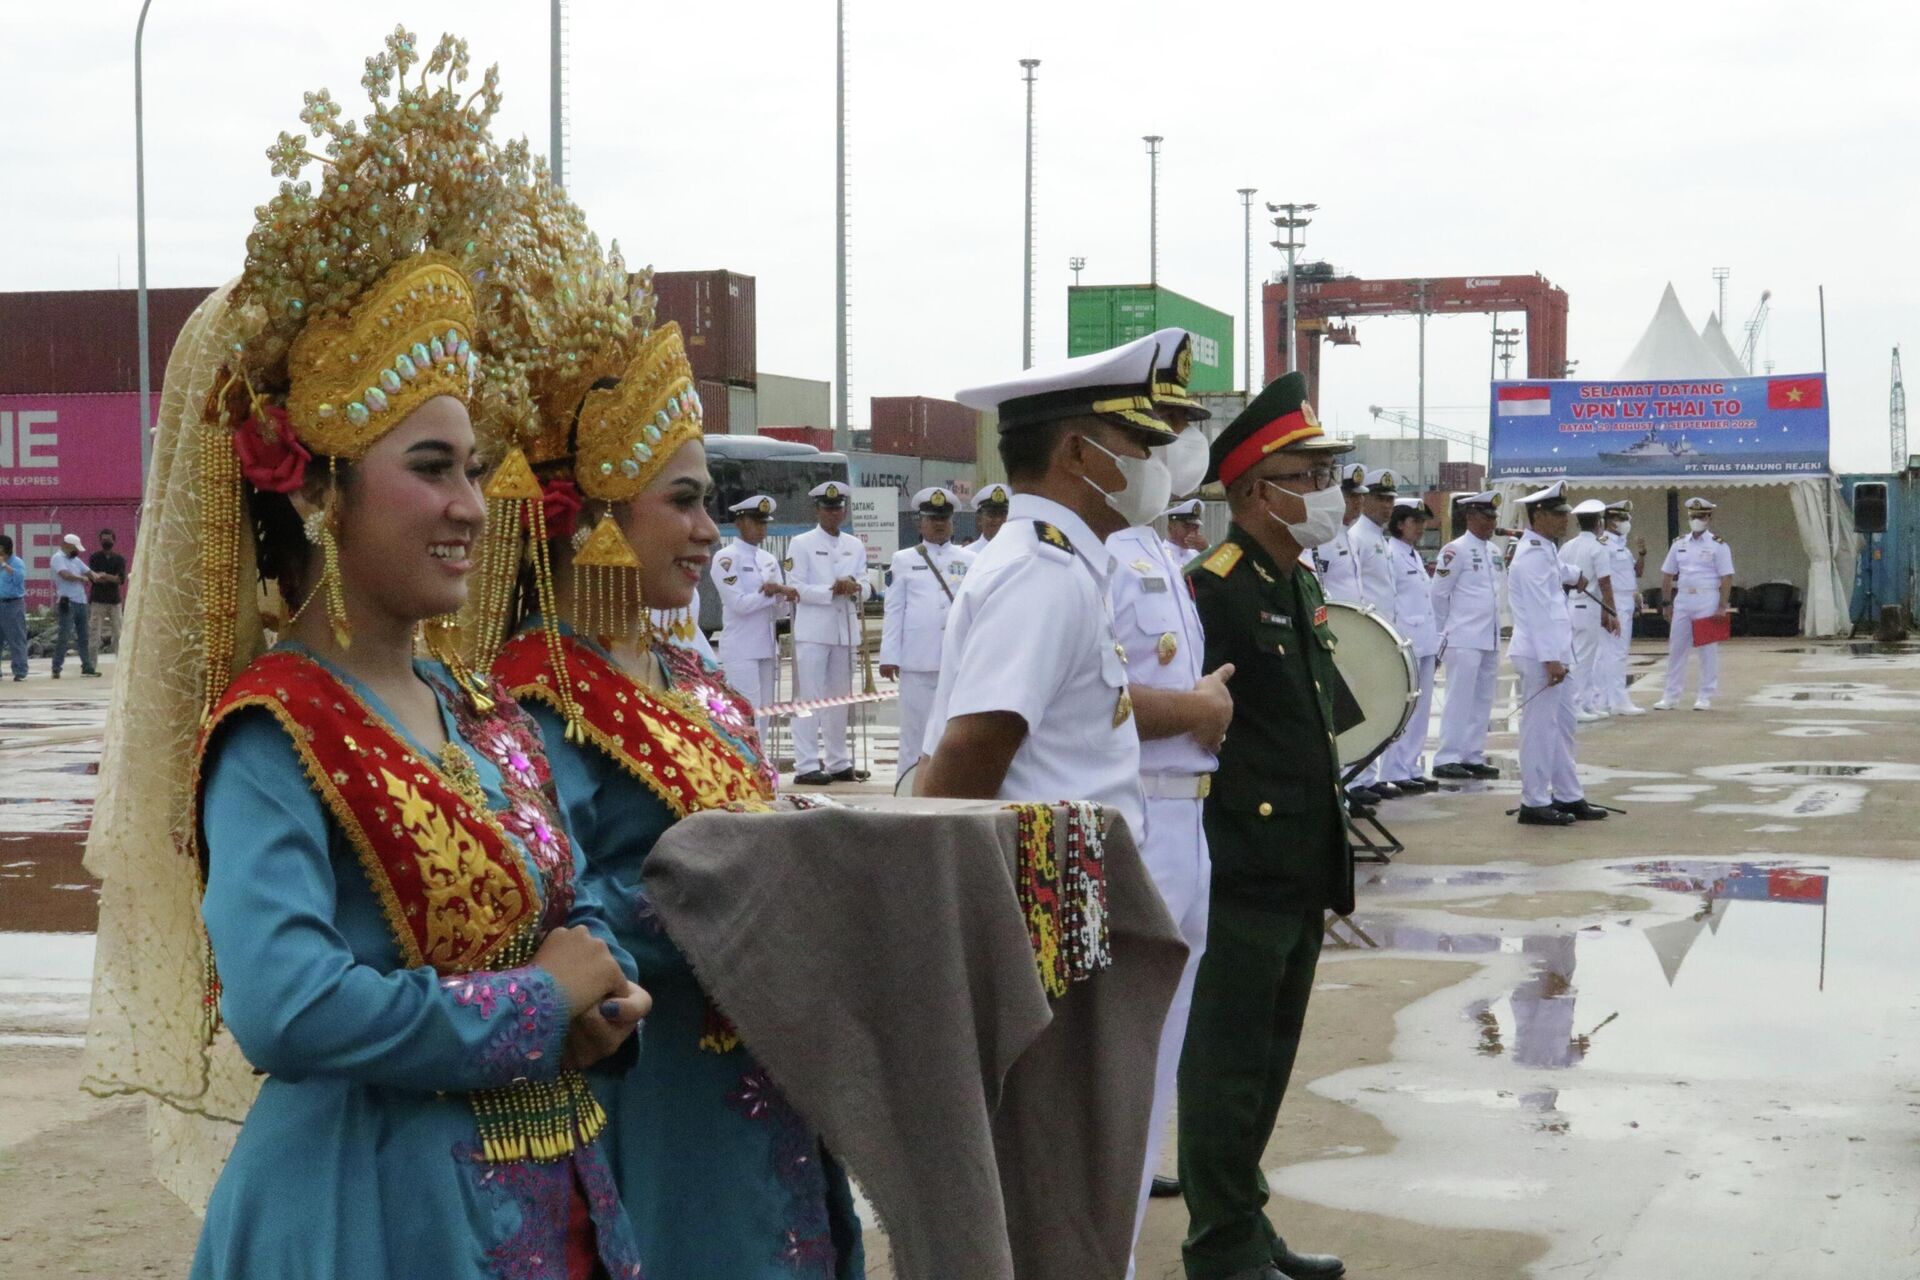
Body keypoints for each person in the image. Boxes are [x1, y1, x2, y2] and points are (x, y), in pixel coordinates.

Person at [81, 46, 653, 1277]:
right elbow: (284, 1002)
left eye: (471, 469)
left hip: (552, 1187)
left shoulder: (469, 699)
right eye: (430, 468)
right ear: (321, 491)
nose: (467, 507)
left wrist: (598, 980)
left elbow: (566, 889)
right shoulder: (274, 728)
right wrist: (538, 1006)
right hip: (371, 1208)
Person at [479, 295, 867, 1273]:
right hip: (647, 1091)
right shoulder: (538, 691)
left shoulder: (688, 679)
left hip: (758, 1068)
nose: (708, 527)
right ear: (603, 510)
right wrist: (724, 887)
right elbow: (544, 903)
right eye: (684, 499)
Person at [1179, 371, 1353, 1280]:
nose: (1323, 492)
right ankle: (1218, 1246)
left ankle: (1247, 1222)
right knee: (1229, 1066)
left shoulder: (1298, 583)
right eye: (1306, 474)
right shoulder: (1213, 593)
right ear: (1255, 491)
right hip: (1240, 864)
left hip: (1297, 861)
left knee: (1271, 1062)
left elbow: (1318, 726)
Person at [920, 329, 1180, 839]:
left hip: (1068, 882)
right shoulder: (1043, 575)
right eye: (1141, 443)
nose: (1153, 464)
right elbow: (967, 755)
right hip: (1044, 896)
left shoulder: (1061, 564)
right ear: (1078, 453)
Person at [1104, 332, 1231, 1246]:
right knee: (1124, 1039)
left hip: (1185, 816)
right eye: (1177, 427)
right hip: (1138, 811)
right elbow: (1088, 705)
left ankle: (1137, 1183)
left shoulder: (1158, 549)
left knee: (1165, 1034)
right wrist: (1195, 711)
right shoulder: (1107, 553)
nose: (1191, 443)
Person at [1506, 482, 1608, 826]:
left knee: (1564, 727)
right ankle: (1533, 801)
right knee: (1539, 730)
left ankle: (1568, 794)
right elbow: (1539, 612)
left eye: (1566, 514)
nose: (1565, 520)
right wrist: (1551, 659)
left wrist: (1576, 575)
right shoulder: (1531, 557)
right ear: (1538, 516)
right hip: (1539, 655)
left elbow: (1558, 575)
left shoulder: (1545, 550)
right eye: (1558, 514)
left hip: (1556, 653)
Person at [879, 486, 973, 778]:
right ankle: (907, 787)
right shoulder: (904, 559)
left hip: (956, 661)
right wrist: (889, 655)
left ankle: (948, 786)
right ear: (920, 522)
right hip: (917, 659)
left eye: (943, 518)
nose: (938, 524)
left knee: (952, 732)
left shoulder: (970, 560)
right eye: (932, 518)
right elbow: (894, 610)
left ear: (952, 522)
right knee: (914, 734)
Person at [787, 481, 872, 785]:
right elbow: (795, 587)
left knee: (840, 700)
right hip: (813, 629)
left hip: (845, 630)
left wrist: (856, 586)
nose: (833, 513)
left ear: (845, 510)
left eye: (838, 508)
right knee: (808, 699)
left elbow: (867, 583)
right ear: (818, 510)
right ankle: (806, 764)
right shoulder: (802, 543)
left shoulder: (854, 544)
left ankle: (838, 761)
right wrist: (831, 590)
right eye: (827, 508)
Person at [1430, 492, 1507, 780]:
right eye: (1487, 517)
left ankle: (1472, 755)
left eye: (1493, 518)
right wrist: (1442, 632)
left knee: (1483, 699)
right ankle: (1447, 756)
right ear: (1471, 517)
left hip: (1489, 636)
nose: (1492, 523)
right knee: (1459, 698)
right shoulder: (1455, 549)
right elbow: (1438, 594)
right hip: (1463, 635)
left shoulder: (1494, 552)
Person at [713, 494, 797, 741]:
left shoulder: (768, 559)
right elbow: (738, 604)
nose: (762, 529)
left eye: (765, 523)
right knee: (745, 712)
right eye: (756, 523)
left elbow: (780, 612)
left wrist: (783, 597)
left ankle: (763, 767)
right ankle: (748, 766)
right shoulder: (726, 558)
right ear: (740, 523)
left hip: (767, 646)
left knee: (765, 713)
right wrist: (773, 594)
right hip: (741, 647)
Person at [1346, 469, 1400, 798]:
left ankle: (1368, 776)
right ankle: (1354, 780)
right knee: (1359, 708)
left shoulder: (1378, 537)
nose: (1387, 506)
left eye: (1390, 500)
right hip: (1361, 634)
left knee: (1378, 707)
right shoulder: (1358, 536)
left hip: (1380, 634)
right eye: (1380, 499)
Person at [1381, 499, 1440, 793]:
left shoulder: (1413, 555)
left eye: (1422, 522)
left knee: (1422, 708)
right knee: (1404, 709)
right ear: (1399, 523)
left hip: (1425, 640)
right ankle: (1394, 768)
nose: (1421, 527)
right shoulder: (1391, 553)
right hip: (1406, 639)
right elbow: (1390, 598)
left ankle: (1411, 766)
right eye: (1415, 521)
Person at [1656, 496, 1734, 711]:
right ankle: (1670, 696)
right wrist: (1666, 602)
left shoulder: (1718, 545)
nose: (1696, 519)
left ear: (1709, 517)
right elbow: (1667, 574)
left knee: (1707, 650)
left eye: (1700, 516)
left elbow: (1726, 578)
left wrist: (1721, 606)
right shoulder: (1679, 543)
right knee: (1677, 648)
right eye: (1693, 516)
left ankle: (1705, 695)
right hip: (1682, 598)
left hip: (1707, 598)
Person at [1559, 499, 1619, 722]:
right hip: (1590, 606)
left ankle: (1586, 703)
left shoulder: (1567, 546)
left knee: (1582, 656)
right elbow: (1605, 583)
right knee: (1583, 659)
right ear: (1599, 523)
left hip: (1571, 605)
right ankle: (1575, 705)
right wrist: (1611, 612)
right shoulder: (1598, 547)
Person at [1602, 500, 1647, 714]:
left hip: (1626, 600)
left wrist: (1642, 554)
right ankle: (1617, 700)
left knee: (1618, 652)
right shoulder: (1605, 544)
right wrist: (1610, 608)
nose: (1626, 522)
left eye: (1626, 519)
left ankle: (1611, 698)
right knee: (1614, 653)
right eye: (1621, 519)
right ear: (1610, 522)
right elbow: (1604, 579)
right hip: (1615, 601)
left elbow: (1634, 573)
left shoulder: (1622, 546)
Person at [1307, 463, 1367, 602]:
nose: (1359, 501)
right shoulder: (1324, 537)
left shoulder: (1351, 535)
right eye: (1352, 496)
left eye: (1360, 496)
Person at [49, 532, 99, 678]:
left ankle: (87, 665)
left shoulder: (75, 560)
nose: (75, 551)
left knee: (84, 636)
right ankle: (56, 666)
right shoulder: (57, 558)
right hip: (68, 601)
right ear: (67, 545)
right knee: (64, 635)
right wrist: (81, 578)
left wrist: (97, 576)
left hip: (81, 601)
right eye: (74, 548)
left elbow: (89, 572)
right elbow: (65, 575)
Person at [88, 527, 129, 654]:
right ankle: (92, 666)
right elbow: (94, 578)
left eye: (108, 539)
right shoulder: (94, 557)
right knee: (95, 633)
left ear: (114, 541)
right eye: (104, 540)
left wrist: (104, 575)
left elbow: (120, 580)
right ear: (100, 541)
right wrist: (111, 577)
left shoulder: (119, 559)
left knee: (118, 634)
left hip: (114, 600)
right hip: (98, 600)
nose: (106, 542)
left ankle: (120, 666)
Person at [0, 535, 25, 681]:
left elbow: (19, 579)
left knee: (16, 639)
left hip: (13, 604)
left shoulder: (17, 562)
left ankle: (20, 670)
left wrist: (4, 565)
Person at [1163, 498, 1209, 565]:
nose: (1191, 532)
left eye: (1195, 527)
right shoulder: (1160, 554)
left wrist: (1206, 550)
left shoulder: (1197, 555)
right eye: (1186, 527)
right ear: (1170, 529)